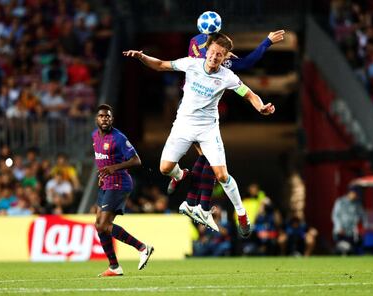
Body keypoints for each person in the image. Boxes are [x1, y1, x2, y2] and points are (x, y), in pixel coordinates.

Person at [123, 33, 275, 238]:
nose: (214, 57)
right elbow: (160, 65)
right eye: (212, 52)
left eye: (220, 55)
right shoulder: (191, 64)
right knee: (165, 168)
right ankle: (181, 175)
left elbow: (249, 94)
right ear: (207, 51)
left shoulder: (227, 77)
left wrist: (261, 107)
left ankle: (241, 214)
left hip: (208, 130)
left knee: (221, 175)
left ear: (225, 57)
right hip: (183, 126)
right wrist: (142, 57)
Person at [168, 18, 285, 230]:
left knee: (210, 162)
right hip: (191, 112)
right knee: (205, 160)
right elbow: (247, 63)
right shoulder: (217, 55)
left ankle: (193, 199)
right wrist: (266, 42)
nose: (215, 56)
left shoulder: (197, 43)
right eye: (215, 52)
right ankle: (191, 194)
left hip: (201, 113)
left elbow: (245, 87)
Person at [93, 104, 154, 277]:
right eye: (101, 116)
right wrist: (103, 174)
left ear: (112, 119)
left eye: (108, 116)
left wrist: (114, 168)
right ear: (96, 118)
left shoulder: (118, 137)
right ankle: (114, 267)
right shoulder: (94, 136)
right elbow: (102, 159)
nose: (105, 119)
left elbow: (136, 160)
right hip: (106, 183)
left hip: (119, 182)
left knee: (103, 224)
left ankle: (143, 248)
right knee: (99, 226)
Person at [331, 187, 364, 255]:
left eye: (356, 194)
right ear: (349, 193)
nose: (355, 196)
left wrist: (358, 227)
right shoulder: (340, 202)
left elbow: (361, 215)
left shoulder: (357, 204)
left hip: (352, 231)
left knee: (351, 250)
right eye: (354, 194)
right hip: (341, 231)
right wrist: (339, 227)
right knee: (341, 248)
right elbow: (335, 215)